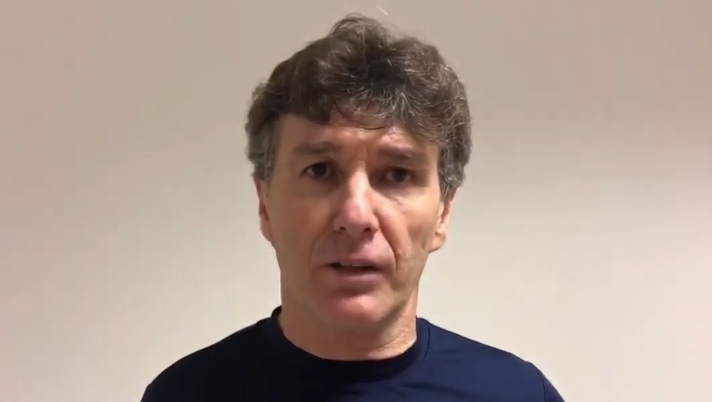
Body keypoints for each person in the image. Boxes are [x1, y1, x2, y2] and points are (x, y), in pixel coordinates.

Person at [140, 14, 565, 402]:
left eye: (397, 174)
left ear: (443, 213)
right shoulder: (183, 395)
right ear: (265, 205)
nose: (356, 216)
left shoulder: (519, 395)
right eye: (320, 170)